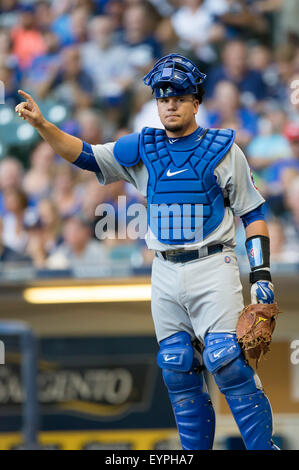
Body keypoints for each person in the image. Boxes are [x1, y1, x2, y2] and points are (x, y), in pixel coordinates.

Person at [15, 53, 278, 450]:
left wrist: (261, 274)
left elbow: (253, 212)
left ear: (196, 101)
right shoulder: (143, 148)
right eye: (162, 96)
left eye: (179, 96)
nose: (170, 103)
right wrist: (43, 125)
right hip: (164, 270)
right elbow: (85, 155)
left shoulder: (223, 148)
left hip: (213, 262)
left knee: (227, 361)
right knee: (176, 366)